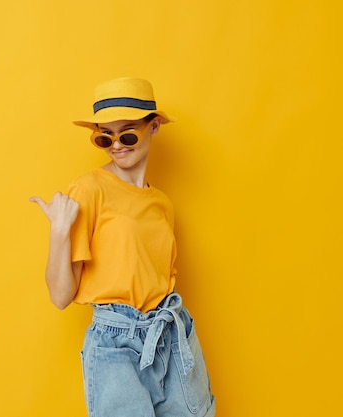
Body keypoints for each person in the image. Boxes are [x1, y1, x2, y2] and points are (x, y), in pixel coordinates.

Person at [30, 77, 215, 417]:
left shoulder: (162, 203)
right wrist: (59, 231)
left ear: (153, 127)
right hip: (116, 341)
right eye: (105, 136)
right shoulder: (89, 190)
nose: (116, 145)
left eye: (127, 133)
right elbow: (60, 296)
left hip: (170, 331)